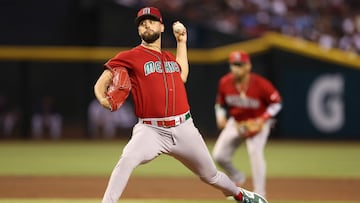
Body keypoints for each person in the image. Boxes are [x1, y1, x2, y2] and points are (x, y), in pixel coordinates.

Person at [94, 6, 268, 203]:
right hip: (151, 130)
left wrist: (181, 41)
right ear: (139, 31)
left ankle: (240, 195)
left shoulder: (168, 57)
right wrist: (102, 98)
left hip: (184, 127)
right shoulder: (130, 56)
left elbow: (182, 75)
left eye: (151, 22)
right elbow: (104, 79)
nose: (146, 25)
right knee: (126, 160)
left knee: (210, 175)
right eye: (142, 24)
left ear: (161, 27)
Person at [212, 50, 282, 197]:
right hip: (236, 122)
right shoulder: (225, 82)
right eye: (233, 64)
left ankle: (260, 193)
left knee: (255, 152)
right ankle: (237, 176)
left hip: (258, 124)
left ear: (248, 66)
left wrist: (263, 119)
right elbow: (220, 103)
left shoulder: (261, 84)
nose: (236, 68)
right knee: (219, 155)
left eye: (239, 64)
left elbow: (277, 103)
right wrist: (220, 116)